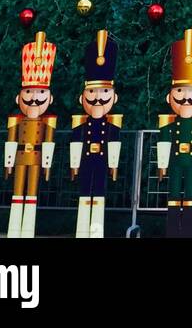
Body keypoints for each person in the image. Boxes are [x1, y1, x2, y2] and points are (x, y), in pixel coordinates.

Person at [156, 28, 192, 238]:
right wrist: (162, 165)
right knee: (173, 194)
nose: (187, 97)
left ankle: (188, 230)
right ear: (169, 97)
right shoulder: (169, 123)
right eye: (180, 91)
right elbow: (163, 143)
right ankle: (172, 231)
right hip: (175, 161)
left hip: (191, 162)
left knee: (190, 194)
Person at [4, 31, 57, 239]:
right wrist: (8, 163)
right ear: (19, 97)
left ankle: (27, 230)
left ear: (50, 98)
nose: (34, 98)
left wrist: (46, 166)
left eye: (41, 92)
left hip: (35, 157)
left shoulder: (49, 121)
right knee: (18, 193)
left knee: (32, 193)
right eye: (29, 92)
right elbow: (10, 141)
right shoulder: (16, 120)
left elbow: (49, 143)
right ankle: (14, 228)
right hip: (19, 157)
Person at [70, 30, 122, 238]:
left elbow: (115, 143)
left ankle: (96, 231)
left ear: (114, 97)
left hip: (101, 161)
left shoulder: (113, 123)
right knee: (84, 192)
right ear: (81, 97)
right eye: (92, 92)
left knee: (99, 193)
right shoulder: (80, 122)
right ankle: (82, 231)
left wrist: (114, 165)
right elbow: (76, 142)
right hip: (86, 160)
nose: (98, 98)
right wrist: (74, 164)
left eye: (104, 92)